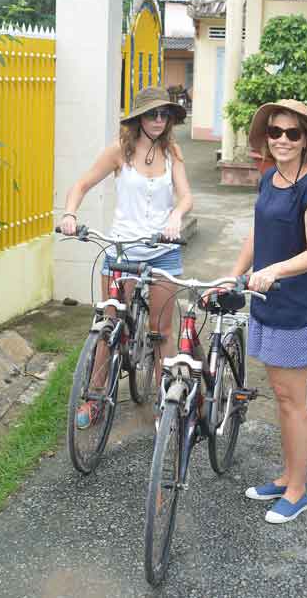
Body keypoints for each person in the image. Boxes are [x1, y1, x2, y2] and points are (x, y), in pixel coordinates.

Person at [60, 86, 193, 427]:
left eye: (164, 114)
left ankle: (167, 402)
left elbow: (185, 198)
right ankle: (94, 397)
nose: (159, 120)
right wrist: (70, 214)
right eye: (152, 114)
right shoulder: (119, 151)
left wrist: (176, 217)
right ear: (138, 118)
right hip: (122, 250)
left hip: (162, 251)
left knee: (161, 329)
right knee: (110, 324)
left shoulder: (172, 152)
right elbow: (81, 185)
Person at [229, 99, 307, 524]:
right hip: (266, 303)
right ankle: (287, 476)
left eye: (292, 133)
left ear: (305, 140)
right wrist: (235, 273)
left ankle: (298, 490)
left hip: (298, 307)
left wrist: (274, 271)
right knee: (282, 396)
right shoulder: (269, 179)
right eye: (276, 132)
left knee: (294, 400)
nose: (283, 140)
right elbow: (259, 232)